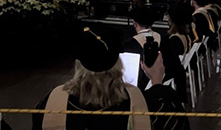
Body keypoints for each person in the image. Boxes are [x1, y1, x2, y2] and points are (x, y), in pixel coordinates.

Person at [32, 23, 189, 130]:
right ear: (119, 63)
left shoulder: (51, 102)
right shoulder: (142, 104)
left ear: (78, 63)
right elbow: (175, 124)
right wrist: (156, 82)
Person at [124, 6, 187, 102]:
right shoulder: (165, 41)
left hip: (138, 96)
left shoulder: (130, 45)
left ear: (134, 24)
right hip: (163, 92)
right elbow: (177, 69)